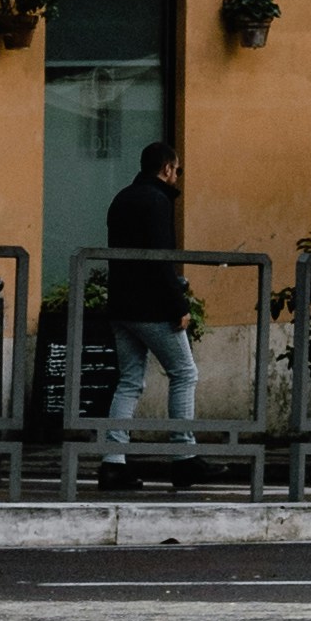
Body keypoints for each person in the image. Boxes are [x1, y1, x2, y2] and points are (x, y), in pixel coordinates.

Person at [96, 136, 196, 476]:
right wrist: (178, 304)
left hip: (122, 306)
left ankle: (113, 459)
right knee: (184, 373)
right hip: (151, 307)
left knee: (129, 381)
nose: (177, 177)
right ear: (167, 169)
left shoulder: (121, 197)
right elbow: (160, 260)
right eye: (178, 170)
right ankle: (184, 456)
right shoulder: (157, 201)